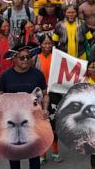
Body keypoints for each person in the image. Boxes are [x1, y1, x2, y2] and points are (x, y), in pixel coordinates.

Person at [0, 44, 48, 169]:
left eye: (28, 57)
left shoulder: (38, 74)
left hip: (33, 120)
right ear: (14, 59)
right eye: (22, 58)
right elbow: (0, 98)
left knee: (34, 154)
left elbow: (45, 95)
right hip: (12, 121)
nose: (26, 60)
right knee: (14, 154)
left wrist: (45, 109)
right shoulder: (5, 76)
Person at [34, 34, 62, 164]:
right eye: (44, 43)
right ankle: (42, 153)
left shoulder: (57, 57)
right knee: (40, 124)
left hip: (54, 94)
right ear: (40, 45)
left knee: (53, 124)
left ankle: (55, 151)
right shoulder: (35, 58)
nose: (47, 46)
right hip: (39, 94)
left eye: (49, 43)